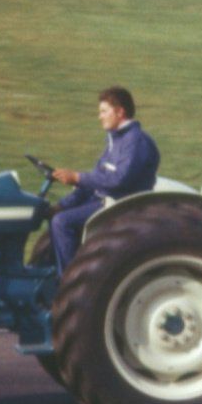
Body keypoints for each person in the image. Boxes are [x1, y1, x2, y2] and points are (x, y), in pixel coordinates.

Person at [49, 86, 162, 269]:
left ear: (119, 112)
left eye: (103, 111)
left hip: (121, 205)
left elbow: (118, 180)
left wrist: (77, 178)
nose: (99, 116)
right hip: (104, 199)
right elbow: (97, 177)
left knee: (62, 222)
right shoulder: (116, 139)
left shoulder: (136, 142)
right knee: (56, 214)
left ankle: (68, 281)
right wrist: (63, 204)